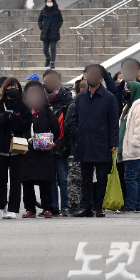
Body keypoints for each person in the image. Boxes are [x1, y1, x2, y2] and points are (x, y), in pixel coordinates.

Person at [71, 64, 119, 218]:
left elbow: (113, 122)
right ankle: (87, 207)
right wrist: (78, 133)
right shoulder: (81, 97)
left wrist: (114, 143)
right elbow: (75, 118)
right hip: (84, 142)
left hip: (101, 142)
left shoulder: (109, 97)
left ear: (100, 78)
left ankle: (99, 206)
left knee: (101, 177)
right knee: (85, 178)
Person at [0, 78, 33, 219]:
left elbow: (26, 125)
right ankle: (3, 204)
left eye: (16, 86)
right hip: (1, 147)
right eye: (10, 86)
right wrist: (6, 116)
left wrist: (14, 118)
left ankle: (13, 208)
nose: (13, 89)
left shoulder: (24, 106)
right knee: (1, 179)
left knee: (16, 179)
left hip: (18, 146)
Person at [21, 81, 60, 218]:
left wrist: (47, 140)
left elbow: (56, 129)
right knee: (27, 181)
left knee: (45, 181)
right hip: (27, 150)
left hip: (43, 151)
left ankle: (47, 208)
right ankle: (30, 208)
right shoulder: (24, 111)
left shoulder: (46, 111)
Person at [116, 81, 140, 213]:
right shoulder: (130, 106)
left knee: (130, 176)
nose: (126, 92)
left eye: (128, 90)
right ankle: (136, 204)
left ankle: (130, 204)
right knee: (133, 176)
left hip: (134, 148)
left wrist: (134, 142)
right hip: (128, 148)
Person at [43, 69, 73, 216]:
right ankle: (53, 206)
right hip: (45, 144)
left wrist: (64, 141)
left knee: (63, 178)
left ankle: (65, 205)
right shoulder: (41, 98)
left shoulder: (66, 97)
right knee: (50, 179)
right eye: (46, 81)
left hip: (61, 142)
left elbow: (69, 122)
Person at [64, 79, 83, 213]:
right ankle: (75, 205)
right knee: (74, 179)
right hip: (76, 148)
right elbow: (68, 127)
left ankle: (88, 203)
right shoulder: (74, 106)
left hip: (92, 149)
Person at [38, 0, 63, 69]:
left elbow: (60, 20)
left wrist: (57, 26)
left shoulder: (57, 11)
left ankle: (52, 62)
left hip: (54, 31)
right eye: (47, 1)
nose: (49, 3)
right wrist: (41, 26)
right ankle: (48, 58)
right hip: (45, 31)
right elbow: (39, 20)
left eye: (50, 1)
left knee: (53, 48)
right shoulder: (43, 10)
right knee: (45, 49)